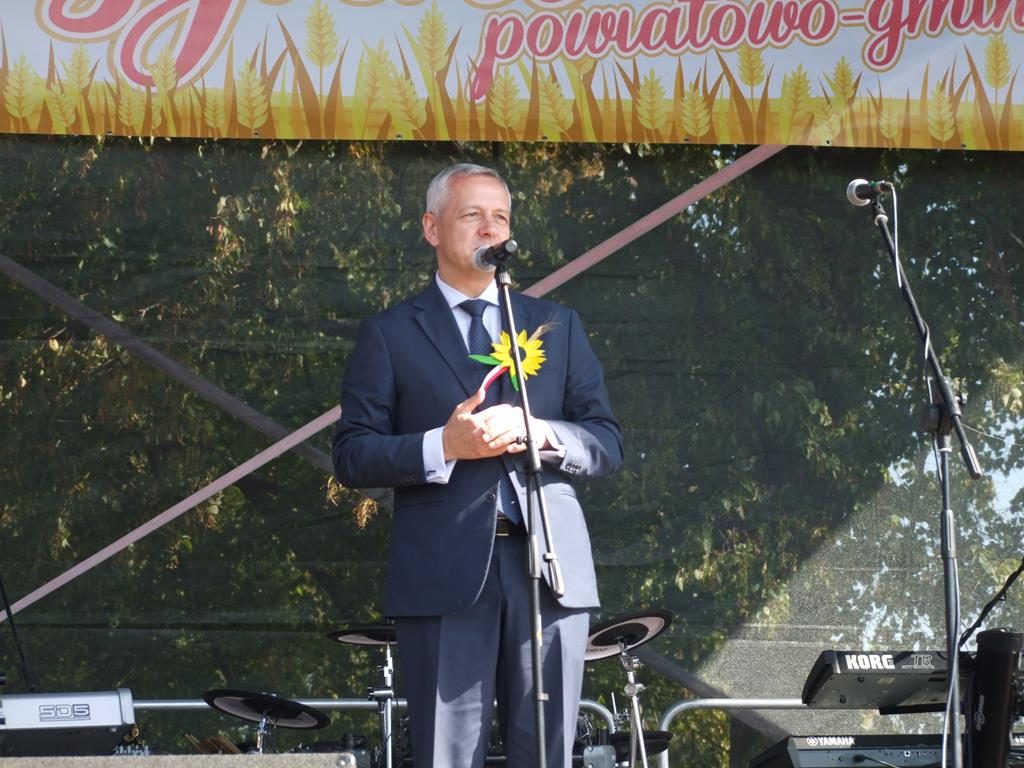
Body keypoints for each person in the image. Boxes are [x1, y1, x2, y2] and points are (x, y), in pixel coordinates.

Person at [332, 163, 622, 768]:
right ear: (431, 228)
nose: (491, 229)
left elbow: (605, 442)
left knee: (546, 753)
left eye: (501, 217)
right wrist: (443, 445)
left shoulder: (556, 325)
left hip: (550, 568)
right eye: (472, 215)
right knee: (446, 754)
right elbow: (353, 453)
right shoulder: (390, 333)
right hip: (444, 570)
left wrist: (539, 431)